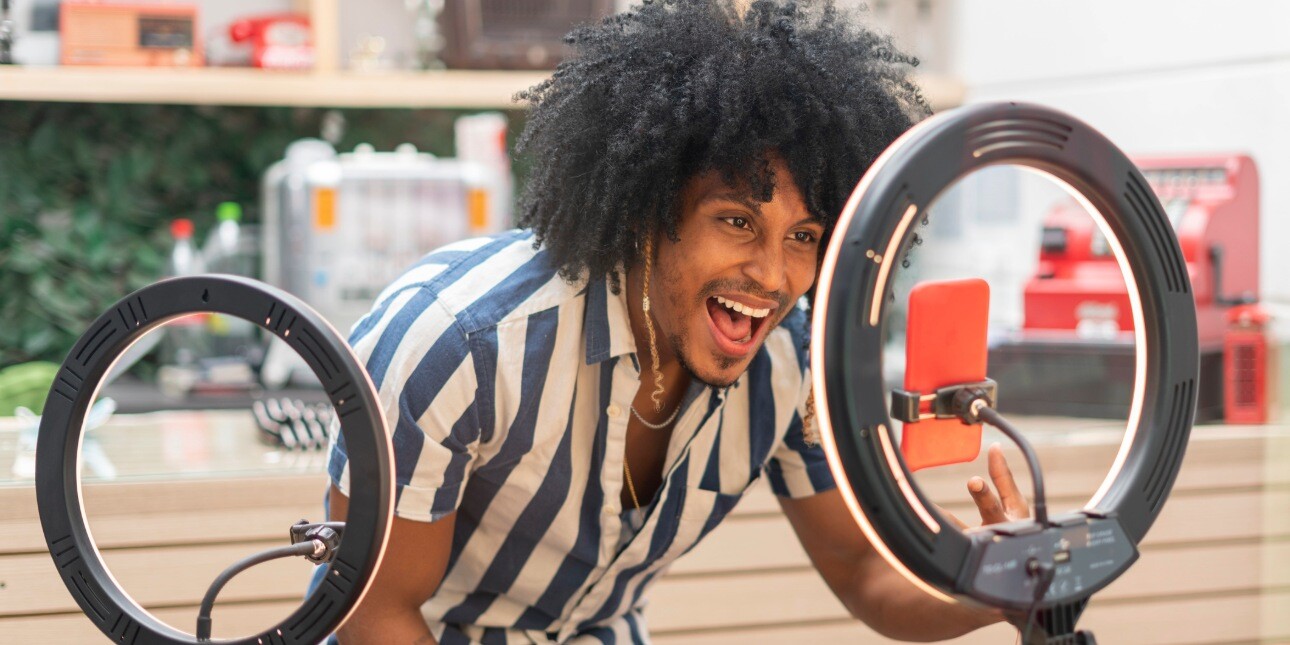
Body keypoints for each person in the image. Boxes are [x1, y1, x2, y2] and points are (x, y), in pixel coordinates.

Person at [319, 0, 1030, 641]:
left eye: (804, 236)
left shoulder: (792, 363)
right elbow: (374, 613)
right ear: (648, 211)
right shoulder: (462, 344)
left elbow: (861, 570)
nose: (774, 276)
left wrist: (991, 586)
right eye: (737, 221)